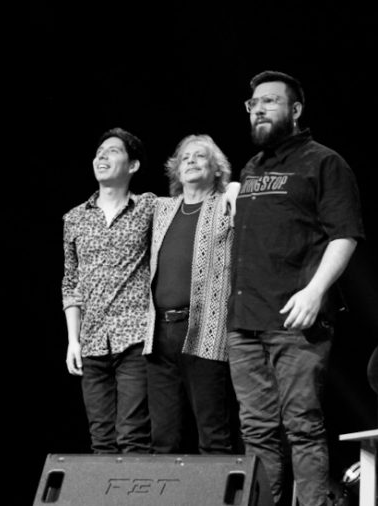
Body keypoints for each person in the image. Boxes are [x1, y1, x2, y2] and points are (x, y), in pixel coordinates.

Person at [227, 70, 365, 506]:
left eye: (270, 101)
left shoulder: (323, 162)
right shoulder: (252, 168)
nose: (259, 109)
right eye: (253, 104)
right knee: (256, 430)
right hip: (244, 322)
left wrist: (314, 291)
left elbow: (345, 234)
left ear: (296, 109)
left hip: (295, 319)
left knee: (302, 427)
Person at [62, 127, 155, 454]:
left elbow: (194, 200)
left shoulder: (149, 207)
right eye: (99, 152)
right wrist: (73, 340)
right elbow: (70, 283)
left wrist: (230, 187)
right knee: (101, 440)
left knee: (133, 436)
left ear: (133, 165)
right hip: (91, 341)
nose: (101, 156)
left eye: (113, 151)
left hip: (135, 339)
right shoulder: (74, 218)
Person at [145, 134, 236, 455]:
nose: (191, 162)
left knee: (213, 434)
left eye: (200, 157)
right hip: (159, 334)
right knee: (162, 438)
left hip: (205, 330)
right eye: (185, 158)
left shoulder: (227, 205)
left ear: (217, 169)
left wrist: (235, 187)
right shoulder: (161, 209)